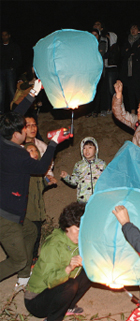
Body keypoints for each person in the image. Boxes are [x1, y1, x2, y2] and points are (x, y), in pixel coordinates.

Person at [0, 79, 70, 288]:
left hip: (10, 208)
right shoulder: (17, 156)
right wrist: (53, 143)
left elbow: (13, 116)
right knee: (20, 259)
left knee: (31, 232)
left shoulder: (3, 138)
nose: (27, 129)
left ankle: (24, 275)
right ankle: (23, 268)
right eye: (23, 128)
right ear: (16, 135)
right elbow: (40, 169)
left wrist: (33, 93)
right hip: (6, 215)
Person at [24, 202, 91, 321]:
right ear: (67, 226)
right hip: (36, 299)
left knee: (90, 271)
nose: (81, 234)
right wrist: (69, 268)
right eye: (78, 230)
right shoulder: (53, 246)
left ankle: (68, 307)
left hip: (56, 290)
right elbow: (50, 280)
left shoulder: (79, 240)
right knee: (70, 285)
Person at [24, 142, 57, 264]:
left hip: (38, 210)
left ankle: (33, 257)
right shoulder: (25, 171)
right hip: (28, 210)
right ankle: (25, 259)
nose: (34, 153)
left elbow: (39, 187)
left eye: (35, 150)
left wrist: (47, 182)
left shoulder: (38, 171)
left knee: (37, 235)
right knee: (29, 236)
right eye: (30, 151)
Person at [60, 137, 106, 202]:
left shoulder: (102, 164)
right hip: (83, 201)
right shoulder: (79, 165)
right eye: (84, 148)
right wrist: (66, 177)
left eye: (90, 147)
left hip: (98, 199)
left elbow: (107, 180)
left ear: (96, 150)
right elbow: (75, 181)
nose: (87, 150)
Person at [119, 23, 140, 113]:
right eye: (132, 28)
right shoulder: (126, 40)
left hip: (138, 69)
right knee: (130, 90)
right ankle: (132, 109)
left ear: (139, 30)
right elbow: (123, 53)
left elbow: (138, 51)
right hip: (128, 69)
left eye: (135, 28)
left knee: (138, 90)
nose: (133, 30)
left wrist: (130, 51)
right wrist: (130, 51)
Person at [0, 29, 22, 114]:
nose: (4, 37)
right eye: (2, 35)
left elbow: (18, 59)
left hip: (10, 71)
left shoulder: (14, 46)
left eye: (5, 35)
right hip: (1, 71)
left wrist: (13, 66)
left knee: (12, 91)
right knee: (1, 92)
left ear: (9, 35)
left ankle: (14, 112)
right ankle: (1, 112)